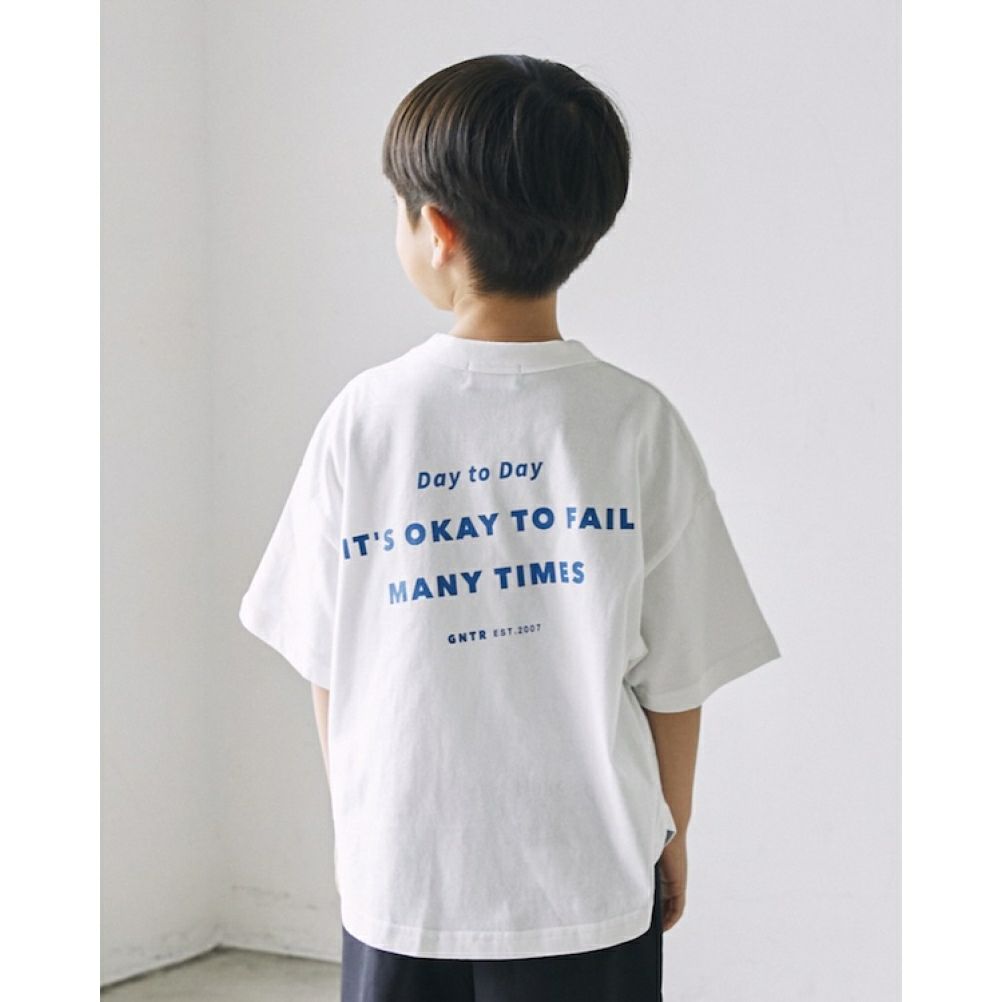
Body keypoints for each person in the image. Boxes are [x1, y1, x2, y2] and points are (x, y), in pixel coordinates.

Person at [238, 54, 782, 1002]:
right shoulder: (634, 422)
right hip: (588, 876)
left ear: (436, 230)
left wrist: (360, 829)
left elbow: (330, 661)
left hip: (405, 877)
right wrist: (670, 830)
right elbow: (676, 679)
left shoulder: (366, 419)